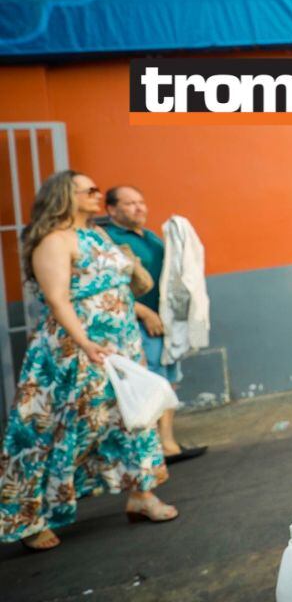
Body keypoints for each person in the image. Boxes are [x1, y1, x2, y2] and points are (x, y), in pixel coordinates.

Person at [0, 171, 177, 551]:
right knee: (54, 431)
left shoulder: (97, 234)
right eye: (90, 190)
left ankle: (142, 495)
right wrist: (85, 343)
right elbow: (58, 299)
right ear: (66, 196)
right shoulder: (53, 241)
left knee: (133, 418)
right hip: (74, 351)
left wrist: (142, 314)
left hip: (121, 347)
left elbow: (117, 283)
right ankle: (28, 518)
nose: (99, 195)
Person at [102, 186, 206, 464]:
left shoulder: (150, 237)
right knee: (149, 384)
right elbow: (111, 288)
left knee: (168, 381)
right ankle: (151, 449)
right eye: (130, 203)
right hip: (136, 324)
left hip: (164, 323)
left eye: (141, 202)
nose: (139, 208)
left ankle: (167, 443)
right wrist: (143, 312)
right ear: (112, 209)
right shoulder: (110, 240)